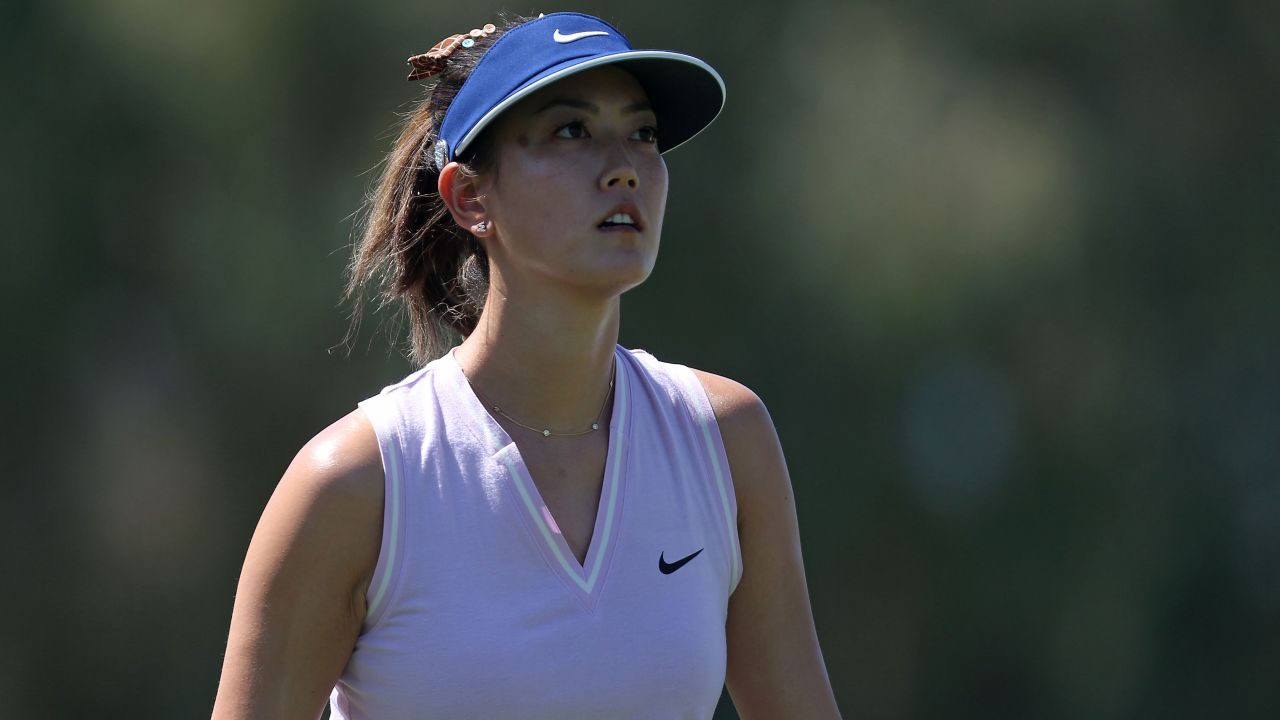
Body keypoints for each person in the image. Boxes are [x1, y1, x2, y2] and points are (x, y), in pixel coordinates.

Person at [212, 12, 841, 719]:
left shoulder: (725, 441)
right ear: (470, 199)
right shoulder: (357, 484)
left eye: (643, 133)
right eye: (572, 131)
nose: (624, 165)